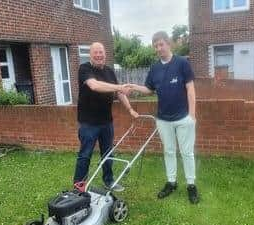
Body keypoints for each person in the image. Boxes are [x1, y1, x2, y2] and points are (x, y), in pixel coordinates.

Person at [126, 31, 199, 204]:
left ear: (169, 44)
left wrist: (192, 115)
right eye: (156, 45)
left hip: (183, 118)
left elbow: (190, 89)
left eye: (161, 44)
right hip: (163, 119)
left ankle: (191, 185)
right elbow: (149, 89)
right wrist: (133, 86)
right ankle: (171, 182)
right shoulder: (154, 68)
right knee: (169, 151)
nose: (159, 48)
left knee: (187, 153)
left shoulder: (182, 63)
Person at [73, 42, 138, 192]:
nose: (98, 55)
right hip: (88, 123)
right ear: (90, 55)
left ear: (105, 54)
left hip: (106, 122)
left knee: (108, 153)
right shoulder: (84, 69)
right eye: (95, 52)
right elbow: (94, 85)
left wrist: (130, 109)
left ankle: (108, 181)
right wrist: (119, 87)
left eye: (101, 52)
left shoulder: (109, 71)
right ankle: (79, 187)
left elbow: (119, 93)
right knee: (85, 155)